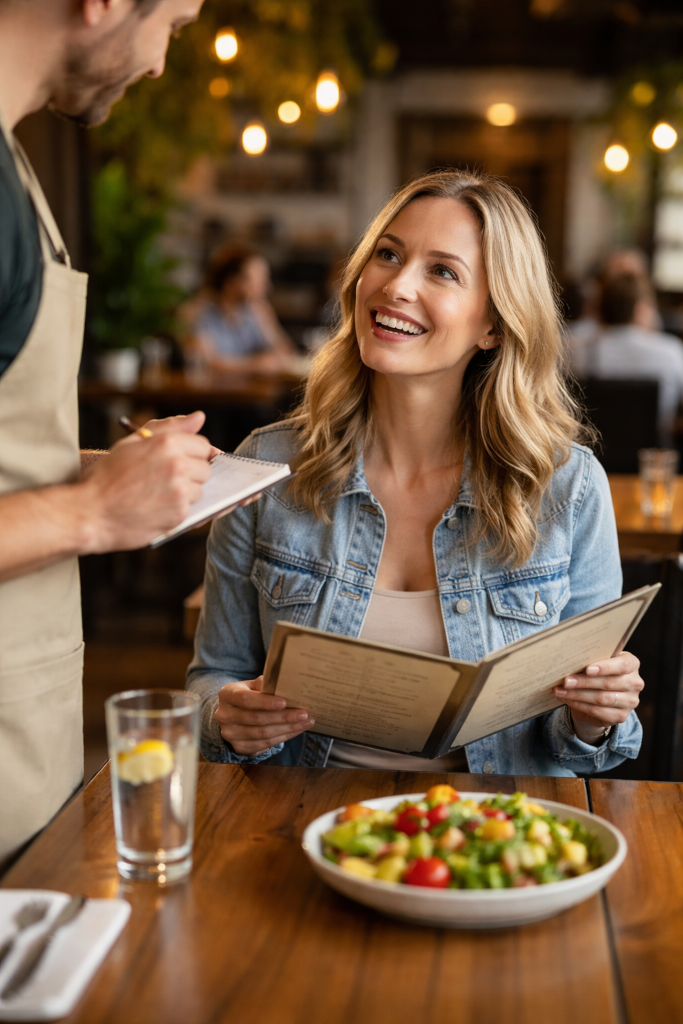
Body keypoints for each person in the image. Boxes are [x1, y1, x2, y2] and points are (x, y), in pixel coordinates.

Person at [187, 169, 644, 778]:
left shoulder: (567, 487)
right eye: (388, 254)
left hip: (495, 824)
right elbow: (211, 676)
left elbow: (586, 742)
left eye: (443, 271)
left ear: (493, 325)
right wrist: (225, 716)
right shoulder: (267, 470)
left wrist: (595, 716)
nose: (397, 285)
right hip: (301, 816)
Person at [0, 0, 214, 866]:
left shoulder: (14, 166)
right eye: (175, 23)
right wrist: (92, 512)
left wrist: (104, 473)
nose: (160, 61)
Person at [590, 273, 683, 441]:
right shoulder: (670, 352)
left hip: (590, 449)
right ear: (642, 309)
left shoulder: (573, 351)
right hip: (655, 453)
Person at [183, 245, 295, 373]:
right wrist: (256, 364)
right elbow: (207, 363)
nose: (268, 287)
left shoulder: (253, 311)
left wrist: (267, 319)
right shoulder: (200, 312)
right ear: (231, 282)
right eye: (259, 280)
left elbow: (285, 352)